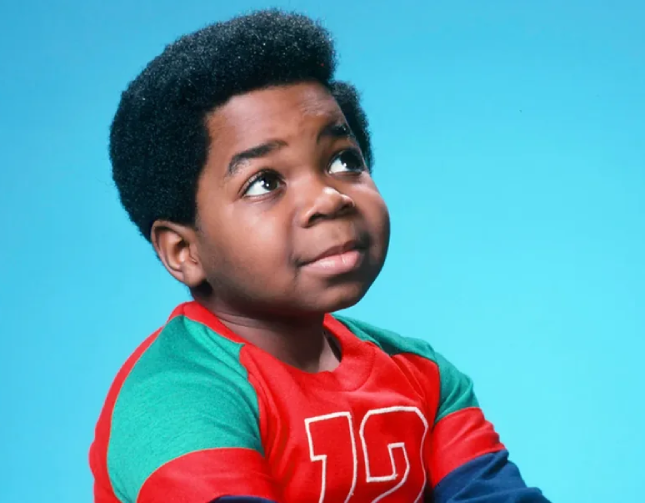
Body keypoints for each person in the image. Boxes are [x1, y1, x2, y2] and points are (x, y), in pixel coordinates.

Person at [89, 9, 551, 503]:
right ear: (184, 250)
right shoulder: (176, 396)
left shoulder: (423, 374)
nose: (329, 198)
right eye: (264, 182)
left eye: (343, 160)